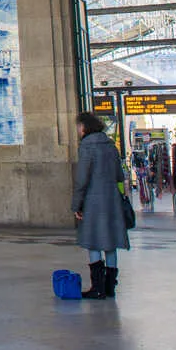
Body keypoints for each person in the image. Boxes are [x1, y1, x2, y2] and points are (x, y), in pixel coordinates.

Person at [71, 111, 129, 299]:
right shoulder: (110, 145)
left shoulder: (87, 146)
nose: (78, 130)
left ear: (84, 127)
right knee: (110, 243)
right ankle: (110, 286)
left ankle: (97, 287)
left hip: (93, 201)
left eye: (79, 126)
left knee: (93, 242)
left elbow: (81, 180)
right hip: (112, 200)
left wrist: (76, 205)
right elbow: (119, 175)